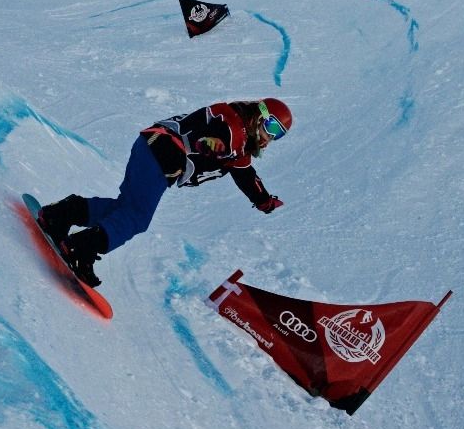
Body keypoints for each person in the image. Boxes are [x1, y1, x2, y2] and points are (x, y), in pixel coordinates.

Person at [38, 98, 292, 287]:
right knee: (137, 217)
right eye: (271, 126)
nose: (270, 137)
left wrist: (264, 201)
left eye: (278, 134)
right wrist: (210, 143)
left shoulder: (241, 147)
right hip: (160, 152)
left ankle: (59, 215)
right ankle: (80, 248)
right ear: (259, 115)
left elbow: (246, 175)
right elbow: (210, 131)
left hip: (155, 150)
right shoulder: (229, 120)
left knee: (125, 209)